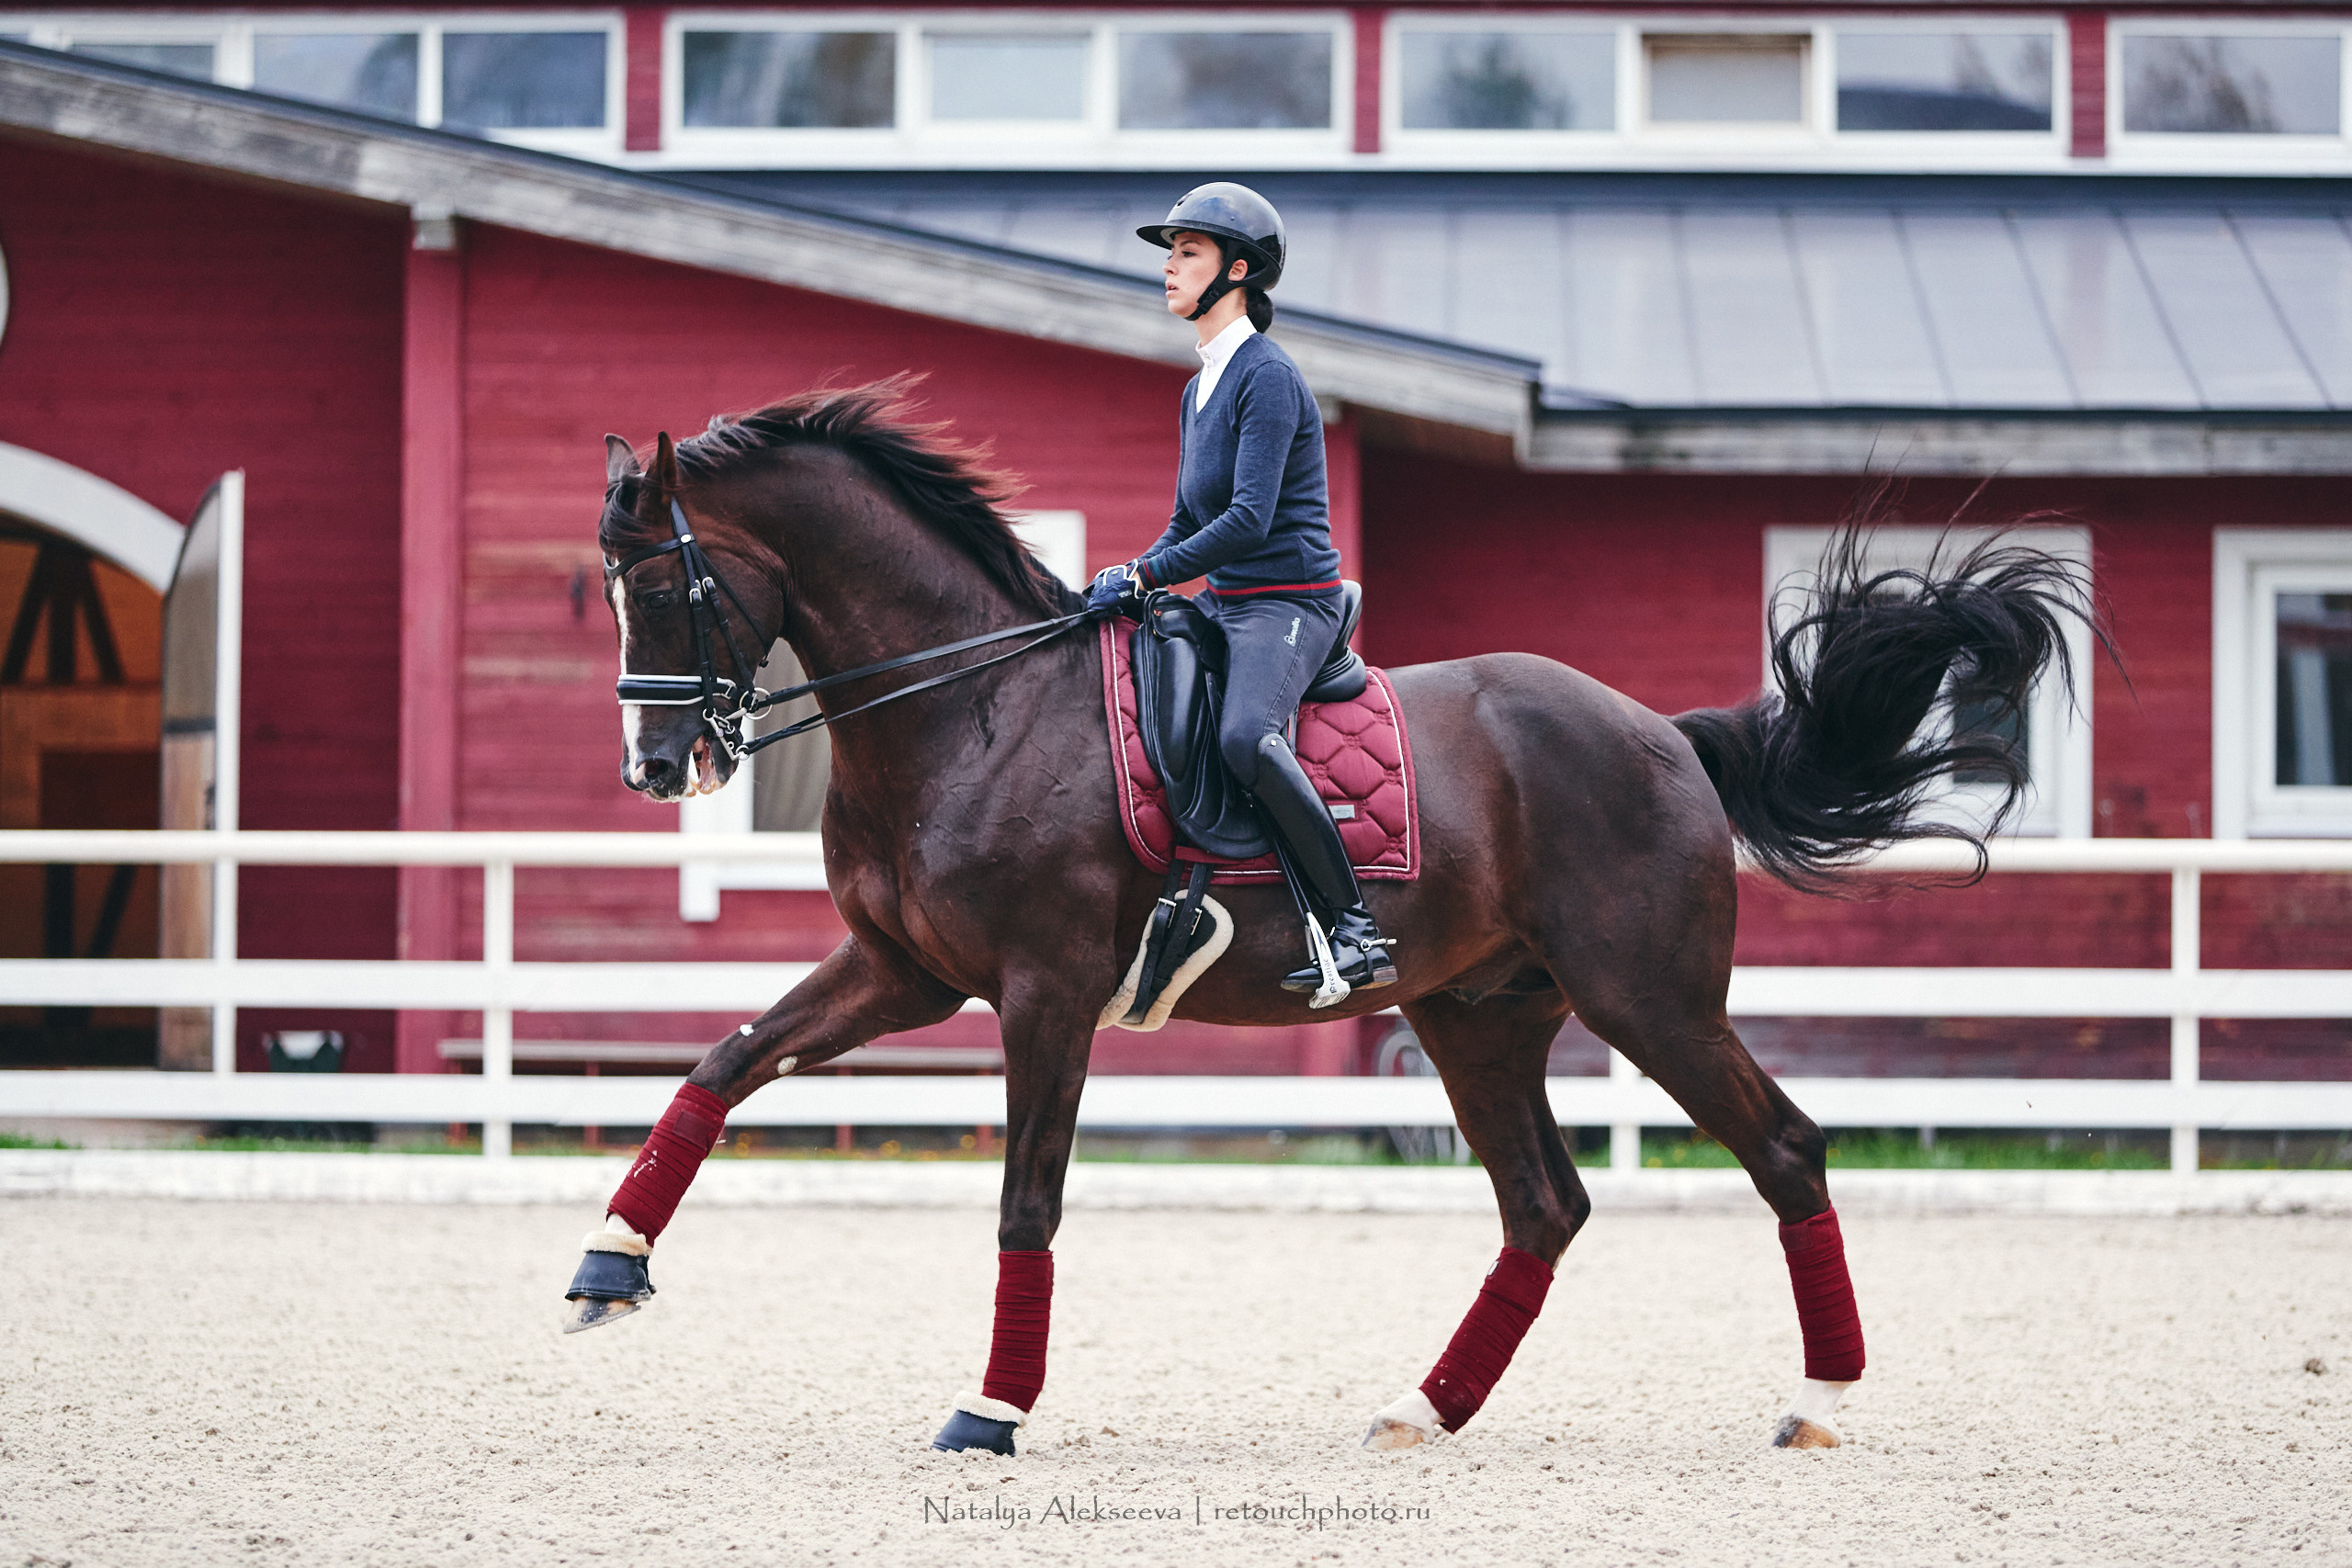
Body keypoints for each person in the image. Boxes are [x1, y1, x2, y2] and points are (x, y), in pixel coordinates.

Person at [1087, 182, 1397, 998]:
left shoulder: (1268, 378)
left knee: (1243, 739)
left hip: (1291, 602)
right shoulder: (1199, 388)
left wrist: (1152, 572)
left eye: (1186, 253)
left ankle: (1354, 928)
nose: (1169, 268)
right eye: (1170, 253)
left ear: (1237, 270)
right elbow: (1190, 516)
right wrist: (1127, 576)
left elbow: (1252, 521)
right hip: (1230, 603)